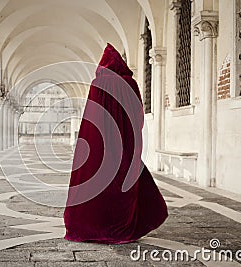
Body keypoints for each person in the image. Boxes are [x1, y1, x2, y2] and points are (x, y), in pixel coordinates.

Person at [63, 43, 168, 244]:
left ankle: (90, 226)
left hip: (98, 145)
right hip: (125, 143)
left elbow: (90, 119)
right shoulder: (130, 83)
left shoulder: (97, 84)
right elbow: (138, 115)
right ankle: (118, 226)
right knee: (122, 183)